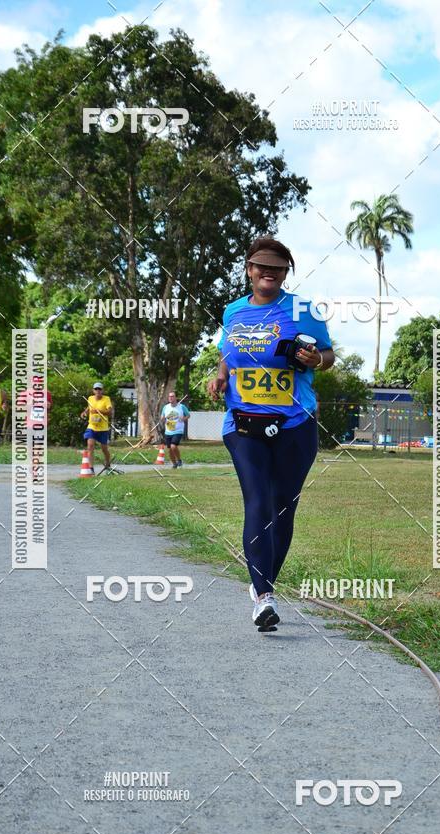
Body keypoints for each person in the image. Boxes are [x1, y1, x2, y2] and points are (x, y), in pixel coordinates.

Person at [207, 236, 334, 631]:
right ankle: (264, 598)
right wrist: (221, 376)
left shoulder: (302, 309)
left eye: (278, 268)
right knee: (258, 500)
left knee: (283, 507)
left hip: (295, 422)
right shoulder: (233, 312)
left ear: (285, 274)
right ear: (248, 268)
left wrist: (316, 358)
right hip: (243, 423)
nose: (269, 273)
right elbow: (227, 354)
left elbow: (328, 355)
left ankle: (264, 582)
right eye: (262, 266)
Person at [79, 382, 113, 474]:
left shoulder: (106, 399)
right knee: (90, 446)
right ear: (93, 390)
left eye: (100, 389)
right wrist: (85, 412)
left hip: (103, 429)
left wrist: (98, 411)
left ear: (102, 390)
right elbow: (89, 408)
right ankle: (91, 468)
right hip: (92, 427)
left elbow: (110, 412)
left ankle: (108, 463)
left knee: (104, 448)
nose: (98, 391)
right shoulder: (90, 398)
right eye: (96, 389)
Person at [160, 391, 190, 468]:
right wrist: (162, 419)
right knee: (169, 449)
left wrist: (183, 418)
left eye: (172, 396)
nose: (171, 398)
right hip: (168, 431)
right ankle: (174, 464)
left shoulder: (181, 407)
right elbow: (162, 417)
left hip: (178, 430)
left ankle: (179, 460)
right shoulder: (166, 407)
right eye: (169, 396)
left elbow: (188, 415)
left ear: (175, 397)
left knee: (173, 446)